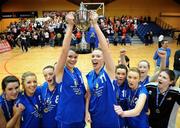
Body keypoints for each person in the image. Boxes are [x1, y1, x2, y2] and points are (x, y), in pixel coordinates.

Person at [86, 11, 120, 128]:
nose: (94, 58)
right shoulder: (89, 75)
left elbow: (105, 49)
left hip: (110, 119)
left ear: (104, 59)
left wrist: (95, 24)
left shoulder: (109, 72)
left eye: (98, 56)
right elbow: (88, 95)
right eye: (93, 56)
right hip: (94, 119)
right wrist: (87, 111)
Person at [55, 12, 86, 128]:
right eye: (70, 57)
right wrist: (70, 26)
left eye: (75, 57)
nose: (73, 59)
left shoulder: (77, 71)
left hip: (80, 117)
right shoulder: (60, 71)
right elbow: (64, 50)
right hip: (66, 118)